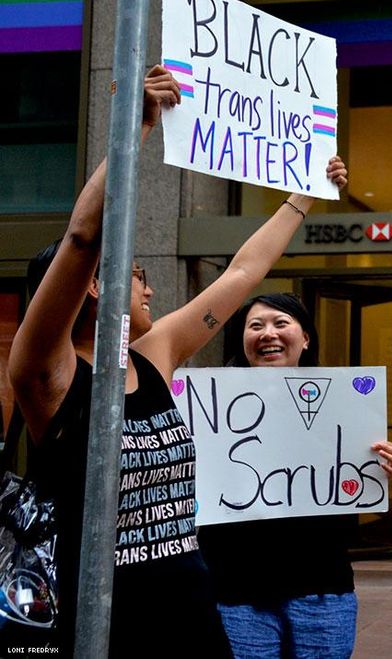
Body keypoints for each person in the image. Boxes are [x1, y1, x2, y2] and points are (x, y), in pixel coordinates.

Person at [8, 65, 348, 657]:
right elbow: (85, 239)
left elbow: (244, 273)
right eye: (137, 276)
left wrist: (302, 197)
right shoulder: (48, 376)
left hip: (190, 605)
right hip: (105, 619)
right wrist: (133, 128)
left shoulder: (155, 355)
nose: (149, 292)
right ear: (94, 286)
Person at [196, 292, 392, 659]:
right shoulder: (210, 407)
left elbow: (354, 494)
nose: (268, 334)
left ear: (305, 338)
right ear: (241, 339)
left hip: (321, 587)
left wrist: (383, 465)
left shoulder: (342, 405)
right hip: (237, 591)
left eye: (281, 323)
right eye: (255, 326)